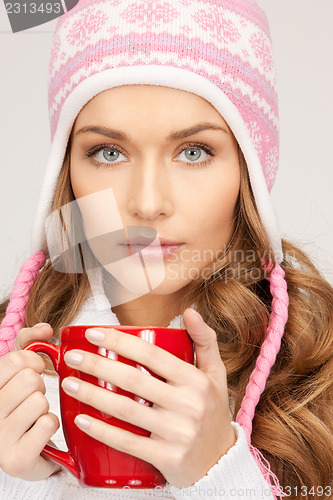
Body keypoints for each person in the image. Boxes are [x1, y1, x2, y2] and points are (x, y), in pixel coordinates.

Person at [0, 1, 332, 499]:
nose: (147, 203)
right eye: (108, 152)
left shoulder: (319, 366)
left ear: (250, 173)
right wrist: (19, 482)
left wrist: (219, 474)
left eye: (193, 151)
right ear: (66, 173)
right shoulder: (12, 362)